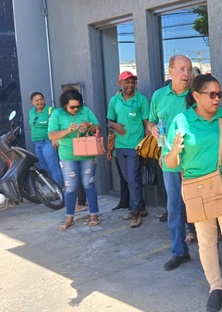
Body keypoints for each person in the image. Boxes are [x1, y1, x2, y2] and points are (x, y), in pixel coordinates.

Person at [164, 74, 222, 312]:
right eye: (212, 94)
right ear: (196, 96)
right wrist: (175, 150)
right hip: (197, 187)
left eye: (220, 94)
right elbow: (171, 163)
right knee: (205, 241)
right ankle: (215, 288)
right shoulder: (181, 121)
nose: (217, 99)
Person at [148, 55, 196, 271]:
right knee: (174, 208)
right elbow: (151, 121)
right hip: (170, 161)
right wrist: (152, 129)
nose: (186, 73)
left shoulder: (196, 95)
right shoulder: (159, 95)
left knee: (201, 206)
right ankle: (179, 252)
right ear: (171, 71)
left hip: (196, 162)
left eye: (190, 69)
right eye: (182, 69)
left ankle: (208, 249)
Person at [48, 89, 101, 230]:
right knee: (70, 187)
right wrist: (67, 131)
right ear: (64, 105)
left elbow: (98, 128)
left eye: (78, 106)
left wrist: (89, 125)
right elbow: (52, 135)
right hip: (68, 156)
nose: (76, 109)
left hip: (87, 154)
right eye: (72, 107)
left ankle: (94, 214)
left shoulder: (86, 111)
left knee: (88, 184)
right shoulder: (57, 114)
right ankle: (69, 217)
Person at [106, 71, 149, 228]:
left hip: (135, 147)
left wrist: (145, 145)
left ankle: (135, 212)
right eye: (127, 82)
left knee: (133, 178)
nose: (130, 85)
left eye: (133, 82)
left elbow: (147, 124)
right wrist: (114, 126)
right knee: (128, 178)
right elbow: (110, 121)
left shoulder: (141, 100)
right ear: (120, 83)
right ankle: (141, 206)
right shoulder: (114, 100)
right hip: (119, 146)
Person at [28, 92, 62, 187]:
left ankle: (58, 190)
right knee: (44, 168)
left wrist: (55, 140)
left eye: (41, 99)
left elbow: (57, 126)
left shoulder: (51, 111)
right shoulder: (31, 112)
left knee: (53, 167)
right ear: (32, 102)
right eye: (37, 100)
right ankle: (50, 190)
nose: (39, 102)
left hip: (47, 142)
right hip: (37, 143)